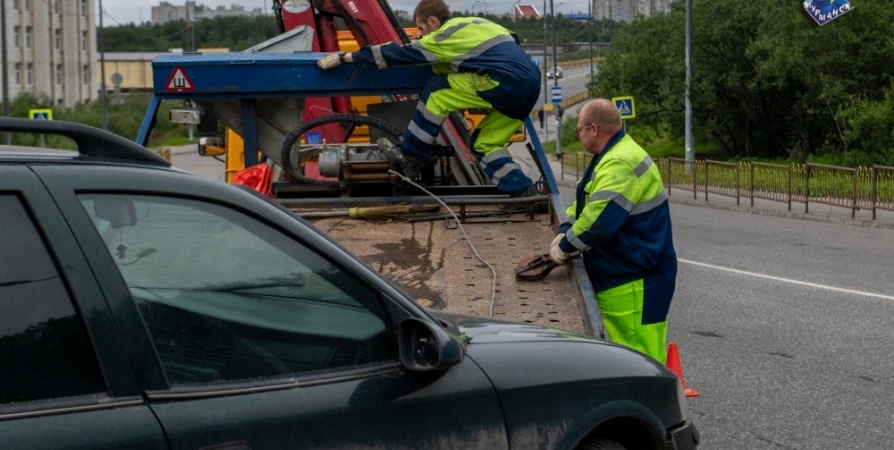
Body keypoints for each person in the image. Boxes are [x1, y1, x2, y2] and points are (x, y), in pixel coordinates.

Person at [316, 0, 541, 199]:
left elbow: (399, 54)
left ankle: (413, 156)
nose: (422, 35)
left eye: (422, 29)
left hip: (504, 81)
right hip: (530, 83)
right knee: (485, 144)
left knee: (437, 92)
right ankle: (524, 192)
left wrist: (347, 57)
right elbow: (510, 42)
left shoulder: (445, 36)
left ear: (433, 21)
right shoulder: (478, 24)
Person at [549, 99, 677, 364]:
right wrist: (565, 229)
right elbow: (586, 205)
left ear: (593, 129)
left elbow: (598, 222)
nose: (579, 135)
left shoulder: (619, 161)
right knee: (628, 356)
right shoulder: (611, 155)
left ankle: (650, 404)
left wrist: (564, 247)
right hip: (631, 274)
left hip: (633, 281)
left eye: (579, 129)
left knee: (638, 359)